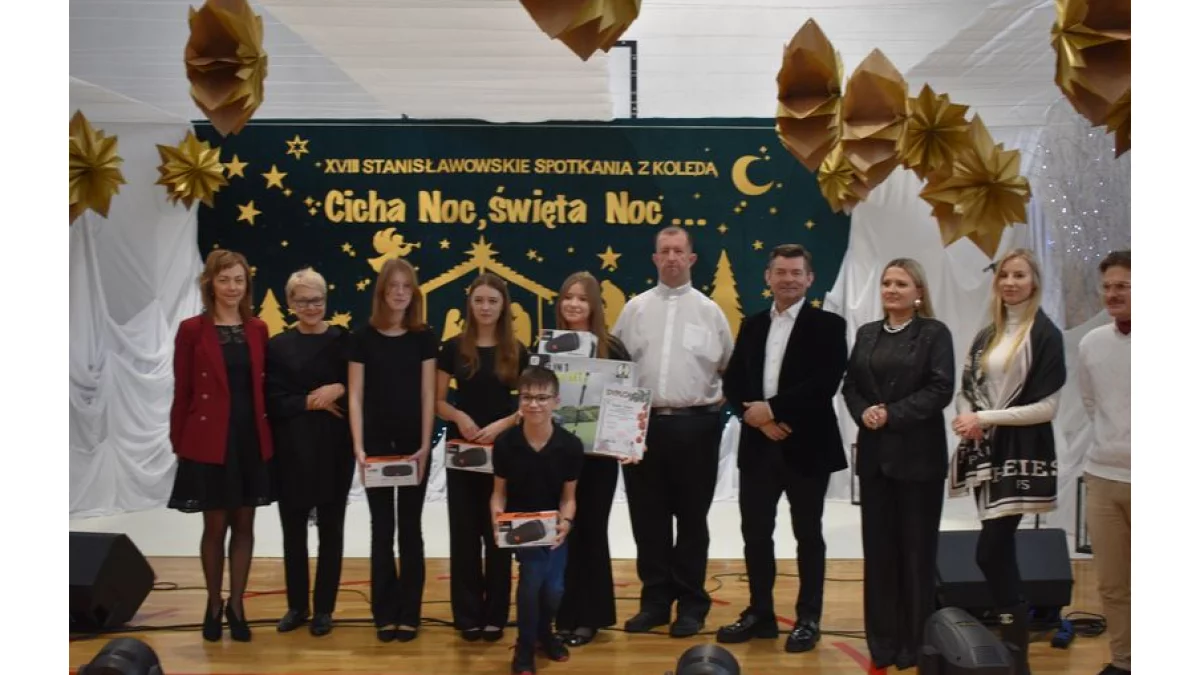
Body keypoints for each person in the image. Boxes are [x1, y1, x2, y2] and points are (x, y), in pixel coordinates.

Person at [716, 244, 847, 653]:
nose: (788, 279)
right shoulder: (753, 324)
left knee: (808, 534)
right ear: (768, 277)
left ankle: (808, 618)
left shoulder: (829, 325)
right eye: (780, 272)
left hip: (807, 445)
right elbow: (734, 381)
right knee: (755, 533)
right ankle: (761, 613)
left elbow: (825, 382)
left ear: (810, 279)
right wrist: (758, 418)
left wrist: (772, 411)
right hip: (759, 446)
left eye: (796, 272)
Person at [611, 226, 734, 638]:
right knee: (648, 520)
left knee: (692, 520)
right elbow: (616, 368)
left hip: (695, 427)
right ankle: (655, 603)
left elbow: (728, 368)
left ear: (691, 258)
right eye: (664, 251)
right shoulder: (634, 310)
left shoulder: (711, 312)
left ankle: (692, 605)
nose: (671, 258)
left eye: (678, 251)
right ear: (654, 259)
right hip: (641, 427)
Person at [950, 249, 1066, 675]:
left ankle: (1017, 652)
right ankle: (1014, 651)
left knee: (990, 551)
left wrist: (984, 418)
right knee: (997, 553)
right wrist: (968, 418)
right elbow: (967, 388)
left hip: (1022, 454)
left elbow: (1046, 408)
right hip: (986, 453)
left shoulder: (1045, 334)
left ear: (1034, 282)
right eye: (1004, 275)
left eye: (1019, 275)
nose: (1011, 283)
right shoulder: (988, 334)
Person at [841, 258, 956, 670]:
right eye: (887, 283)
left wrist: (892, 414)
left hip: (918, 462)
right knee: (879, 555)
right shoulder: (867, 333)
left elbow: (941, 388)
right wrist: (864, 412)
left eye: (901, 284)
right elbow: (850, 385)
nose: (891, 289)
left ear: (918, 292)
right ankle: (882, 643)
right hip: (875, 461)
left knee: (916, 555)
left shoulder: (934, 333)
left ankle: (915, 644)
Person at [167, 249, 275, 642]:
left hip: (249, 440)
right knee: (215, 527)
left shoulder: (258, 328)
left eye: (239, 280)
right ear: (210, 283)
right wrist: (180, 442)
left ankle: (237, 605)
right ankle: (213, 603)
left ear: (247, 285)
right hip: (209, 441)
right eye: (224, 279)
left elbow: (263, 388)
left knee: (245, 524)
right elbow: (183, 390)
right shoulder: (192, 330)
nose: (232, 287)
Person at [348, 258, 437, 643]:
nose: (400, 293)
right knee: (382, 528)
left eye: (406, 286)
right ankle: (384, 613)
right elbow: (355, 395)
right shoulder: (362, 338)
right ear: (382, 292)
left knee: (410, 528)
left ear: (413, 293)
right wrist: (358, 446)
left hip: (414, 445)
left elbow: (428, 393)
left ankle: (410, 613)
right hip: (375, 446)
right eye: (393, 286)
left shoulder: (424, 337)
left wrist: (425, 444)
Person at [437, 272, 530, 642]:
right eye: (479, 301)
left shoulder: (517, 351)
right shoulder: (452, 348)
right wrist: (459, 417)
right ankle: (467, 615)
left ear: (503, 305)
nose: (486, 307)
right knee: (464, 534)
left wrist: (501, 425)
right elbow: (437, 401)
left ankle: (495, 615)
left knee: (497, 534)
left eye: (492, 301)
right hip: (463, 454)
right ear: (470, 304)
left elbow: (528, 405)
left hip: (502, 454)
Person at [546, 272, 633, 647]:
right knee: (561, 533)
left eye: (582, 298)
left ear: (595, 305)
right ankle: (562, 614)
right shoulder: (547, 348)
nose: (574, 304)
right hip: (555, 456)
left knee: (591, 533)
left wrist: (628, 439)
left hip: (598, 460)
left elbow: (627, 402)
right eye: (568, 297)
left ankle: (590, 617)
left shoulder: (612, 349)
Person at [267, 268, 354, 637]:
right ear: (290, 303)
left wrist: (340, 387)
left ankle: (324, 610)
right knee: (293, 532)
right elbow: (273, 400)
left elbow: (362, 386)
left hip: (335, 448)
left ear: (326, 300)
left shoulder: (344, 340)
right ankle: (297, 606)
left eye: (316, 300)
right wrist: (309, 401)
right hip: (292, 448)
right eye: (302, 301)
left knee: (331, 530)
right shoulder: (277, 346)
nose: (311, 307)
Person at [491, 366, 583, 675]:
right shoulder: (506, 443)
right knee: (531, 581)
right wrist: (497, 520)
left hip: (554, 528)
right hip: (521, 528)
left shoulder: (570, 445)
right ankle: (525, 646)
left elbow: (569, 498)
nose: (534, 404)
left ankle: (545, 632)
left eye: (542, 398)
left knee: (554, 589)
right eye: (527, 397)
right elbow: (498, 494)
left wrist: (566, 524)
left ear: (556, 401)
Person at [1076, 250, 1131, 675]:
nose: (1112, 294)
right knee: (1113, 585)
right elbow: (1092, 403)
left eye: (1123, 286)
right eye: (1107, 286)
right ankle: (1125, 661)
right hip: (1102, 476)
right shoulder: (1091, 343)